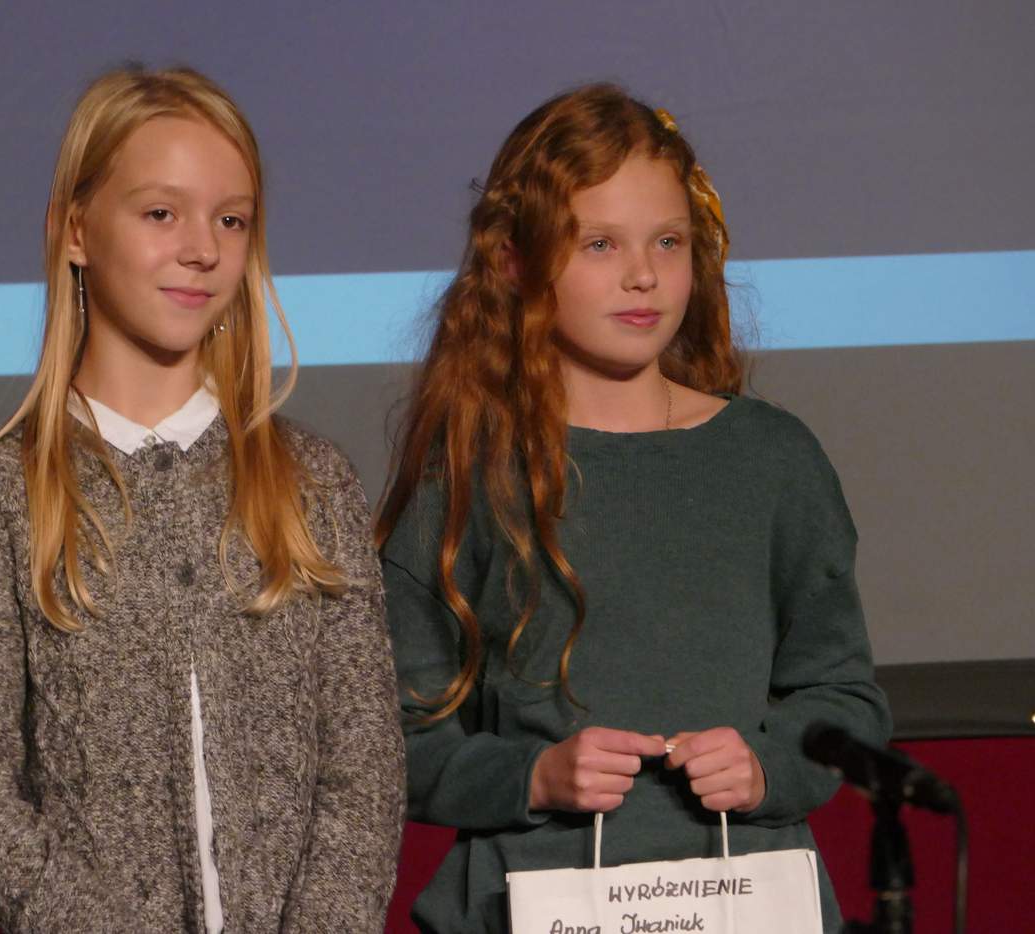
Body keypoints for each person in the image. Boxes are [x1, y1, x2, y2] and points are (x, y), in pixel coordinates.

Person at [376, 84, 890, 933]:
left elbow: (842, 697)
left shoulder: (771, 459)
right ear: (515, 263)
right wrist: (533, 778)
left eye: (668, 241)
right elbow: (391, 740)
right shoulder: (468, 478)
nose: (643, 274)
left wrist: (767, 768)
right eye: (599, 243)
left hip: (748, 904)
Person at [0, 65, 405, 933]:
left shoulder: (312, 481)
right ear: (76, 230)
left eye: (231, 220)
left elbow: (363, 768)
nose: (203, 249)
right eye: (161, 214)